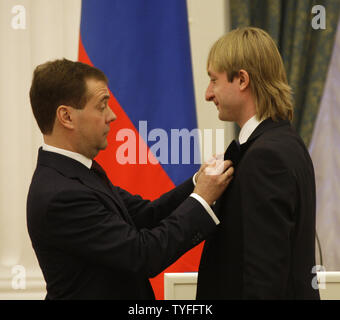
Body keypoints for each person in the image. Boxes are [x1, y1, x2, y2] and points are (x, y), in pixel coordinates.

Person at [26, 59, 234, 300]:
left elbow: (146, 215)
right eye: (102, 106)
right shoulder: (61, 195)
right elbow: (143, 255)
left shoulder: (79, 173)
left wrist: (200, 179)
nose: (112, 116)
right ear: (67, 117)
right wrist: (201, 198)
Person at [196, 27, 320, 299]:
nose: (208, 94)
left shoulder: (265, 157)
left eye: (213, 80)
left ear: (242, 80)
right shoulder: (286, 142)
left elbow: (264, 277)